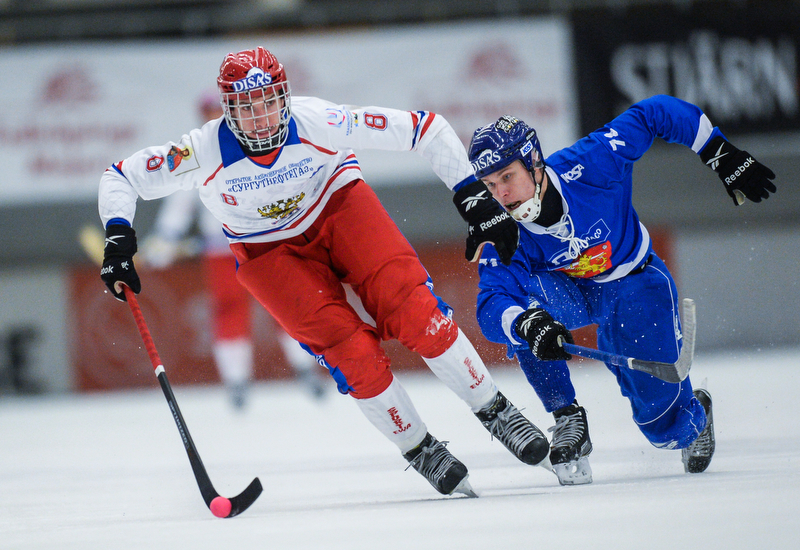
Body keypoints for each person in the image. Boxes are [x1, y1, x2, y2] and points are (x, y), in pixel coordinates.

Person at [98, 46, 546, 497]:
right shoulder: (201, 149)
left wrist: (472, 195)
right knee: (350, 353)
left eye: (270, 103)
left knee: (414, 310)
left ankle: (495, 410)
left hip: (338, 207)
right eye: (247, 109)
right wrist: (118, 238)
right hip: (266, 248)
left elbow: (426, 129)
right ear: (227, 110)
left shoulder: (320, 121)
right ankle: (419, 447)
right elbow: (120, 177)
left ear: (285, 98)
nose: (262, 119)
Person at [467, 95, 776, 485]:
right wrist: (526, 325)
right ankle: (567, 417)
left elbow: (653, 113)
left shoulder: (593, 162)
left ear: (534, 162)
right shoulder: (497, 229)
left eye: (507, 177)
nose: (501, 195)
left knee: (664, 432)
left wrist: (717, 150)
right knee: (521, 315)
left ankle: (693, 416)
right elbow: (490, 304)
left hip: (636, 287)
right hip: (573, 294)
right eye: (490, 185)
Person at [142, 91, 327, 408]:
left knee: (285, 304)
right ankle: (237, 381)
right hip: (221, 250)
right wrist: (164, 239)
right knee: (229, 309)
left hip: (262, 241)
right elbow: (180, 202)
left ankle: (305, 368)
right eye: (209, 113)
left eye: (219, 112)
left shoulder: (256, 141)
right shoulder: (197, 150)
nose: (214, 118)